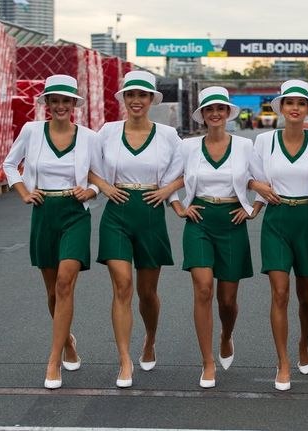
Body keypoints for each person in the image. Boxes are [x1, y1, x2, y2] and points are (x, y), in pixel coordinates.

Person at [2, 74, 98, 389]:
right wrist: (24, 192)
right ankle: (68, 340)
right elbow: (8, 164)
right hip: (44, 213)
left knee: (65, 282)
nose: (59, 106)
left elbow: (102, 174)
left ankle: (53, 359)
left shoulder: (87, 137)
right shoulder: (31, 131)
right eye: (54, 100)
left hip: (75, 214)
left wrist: (93, 191)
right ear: (47, 104)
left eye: (65, 101)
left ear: (73, 105)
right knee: (52, 292)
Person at [89, 71, 183, 388]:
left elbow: (190, 167)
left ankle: (150, 340)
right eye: (131, 95)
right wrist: (103, 186)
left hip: (151, 214)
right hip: (116, 211)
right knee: (122, 285)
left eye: (142, 95)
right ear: (124, 100)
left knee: (147, 293)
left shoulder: (169, 135)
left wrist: (167, 191)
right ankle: (124, 360)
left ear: (151, 100)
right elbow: (85, 163)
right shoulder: (107, 132)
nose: (136, 100)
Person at [249, 80, 308, 391]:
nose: (295, 108)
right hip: (276, 220)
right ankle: (283, 361)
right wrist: (256, 187)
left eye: (301, 104)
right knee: (279, 292)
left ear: (307, 109)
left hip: (307, 218)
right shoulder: (263, 141)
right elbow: (249, 175)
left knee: (307, 297)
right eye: (289, 103)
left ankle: (303, 343)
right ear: (281, 107)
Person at [167, 86, 261, 388]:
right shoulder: (189, 147)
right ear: (203, 116)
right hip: (200, 221)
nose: (215, 114)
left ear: (228, 113)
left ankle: (226, 334)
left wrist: (254, 208)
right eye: (210, 110)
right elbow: (170, 179)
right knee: (204, 288)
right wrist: (179, 206)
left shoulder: (246, 146)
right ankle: (207, 362)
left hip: (233, 221)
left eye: (220, 109)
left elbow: (262, 180)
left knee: (228, 300)